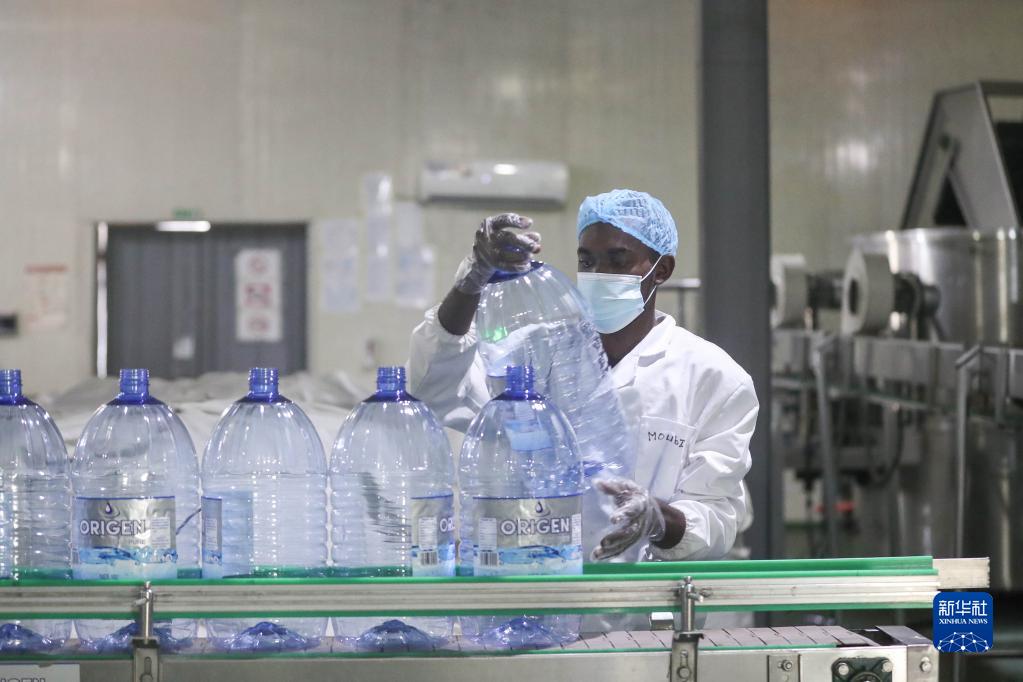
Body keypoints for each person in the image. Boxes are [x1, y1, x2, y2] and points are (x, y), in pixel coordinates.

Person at [408, 188, 757, 563]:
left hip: (647, 592)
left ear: (662, 270)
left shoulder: (713, 377)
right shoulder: (533, 350)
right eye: (587, 261)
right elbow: (436, 385)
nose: (598, 274)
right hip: (536, 581)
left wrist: (657, 519)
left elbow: (718, 516)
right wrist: (472, 281)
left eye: (618, 260)